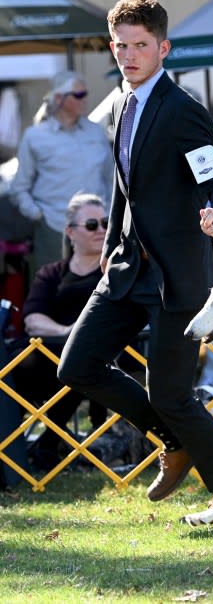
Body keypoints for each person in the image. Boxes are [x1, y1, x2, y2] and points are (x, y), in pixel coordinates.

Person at [58, 0, 213, 520]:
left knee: (172, 394)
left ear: (163, 48)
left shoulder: (183, 110)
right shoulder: (122, 104)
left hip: (177, 274)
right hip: (128, 267)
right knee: (77, 365)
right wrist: (109, 247)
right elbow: (124, 185)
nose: (130, 55)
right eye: (122, 46)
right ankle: (172, 443)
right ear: (113, 47)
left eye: (141, 46)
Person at [9, 193, 109, 471]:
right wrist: (67, 332)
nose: (101, 230)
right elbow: (32, 319)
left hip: (100, 356)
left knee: (76, 360)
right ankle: (10, 449)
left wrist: (76, 340)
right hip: (44, 354)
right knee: (12, 364)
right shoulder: (51, 272)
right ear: (70, 232)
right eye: (91, 225)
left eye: (105, 222)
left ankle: (48, 445)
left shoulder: (116, 273)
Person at [9, 71, 113, 274]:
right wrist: (39, 215)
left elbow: (112, 178)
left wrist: (109, 214)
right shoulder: (35, 136)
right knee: (54, 294)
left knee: (100, 294)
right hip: (54, 230)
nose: (85, 99)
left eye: (85, 93)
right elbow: (18, 188)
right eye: (79, 95)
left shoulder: (96, 131)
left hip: (98, 229)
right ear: (59, 98)